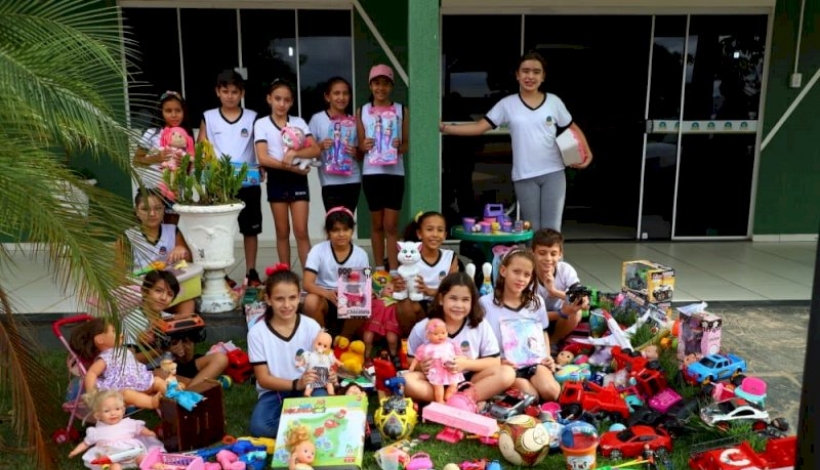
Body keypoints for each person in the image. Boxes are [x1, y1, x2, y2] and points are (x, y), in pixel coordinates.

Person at [440, 52, 593, 232]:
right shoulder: (507, 104)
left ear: (543, 77)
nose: (530, 76)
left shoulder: (554, 102)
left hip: (554, 172)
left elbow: (572, 127)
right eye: (525, 71)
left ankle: (552, 253)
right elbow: (479, 127)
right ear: (517, 75)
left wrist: (587, 153)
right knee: (531, 229)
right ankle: (531, 253)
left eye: (536, 72)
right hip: (524, 175)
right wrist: (445, 128)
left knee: (552, 229)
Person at [404, 272, 515, 404]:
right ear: (441, 299)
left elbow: (494, 361)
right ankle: (459, 401)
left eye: (465, 300)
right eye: (453, 298)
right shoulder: (423, 327)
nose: (459, 305)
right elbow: (410, 358)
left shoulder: (480, 325)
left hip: (469, 379)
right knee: (407, 381)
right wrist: (420, 366)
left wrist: (466, 364)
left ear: (472, 302)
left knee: (507, 373)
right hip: (434, 380)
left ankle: (460, 400)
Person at [247, 265, 330, 438]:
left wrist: (329, 374)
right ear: (268, 299)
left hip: (308, 386)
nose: (287, 305)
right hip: (274, 391)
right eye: (279, 299)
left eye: (292, 298)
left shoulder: (311, 326)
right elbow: (263, 379)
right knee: (259, 427)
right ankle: (309, 426)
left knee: (322, 402)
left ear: (299, 297)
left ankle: (297, 426)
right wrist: (295, 384)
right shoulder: (257, 333)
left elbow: (322, 361)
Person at [199, 69, 263, 287]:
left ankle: (251, 272)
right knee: (219, 230)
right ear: (218, 91)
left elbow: (261, 146)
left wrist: (262, 165)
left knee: (250, 229)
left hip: (247, 183)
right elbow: (202, 149)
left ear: (242, 93)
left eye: (235, 92)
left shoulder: (253, 117)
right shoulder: (208, 117)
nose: (230, 96)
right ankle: (221, 273)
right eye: (225, 91)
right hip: (218, 184)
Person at [254, 80, 321, 270]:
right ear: (269, 99)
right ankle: (286, 276)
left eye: (286, 100)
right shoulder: (261, 124)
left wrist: (295, 153)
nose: (281, 104)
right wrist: (290, 167)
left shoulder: (298, 122)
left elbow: (315, 150)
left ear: (291, 102)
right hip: (277, 179)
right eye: (277, 99)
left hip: (298, 180)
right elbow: (263, 157)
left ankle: (309, 276)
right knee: (282, 232)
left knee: (301, 232)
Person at [123, 270, 228, 388]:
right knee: (159, 374)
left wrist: (186, 348)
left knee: (220, 358)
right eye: (158, 291)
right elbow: (128, 363)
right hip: (149, 372)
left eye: (169, 294)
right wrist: (161, 350)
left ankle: (191, 388)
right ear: (145, 291)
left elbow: (186, 360)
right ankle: (197, 386)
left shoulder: (170, 319)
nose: (163, 298)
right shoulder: (131, 320)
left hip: (173, 367)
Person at [479, 249, 560, 401]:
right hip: (505, 366)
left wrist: (547, 356)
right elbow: (479, 340)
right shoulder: (485, 304)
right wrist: (496, 361)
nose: (521, 279)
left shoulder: (536, 302)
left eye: (527, 274)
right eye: (516, 272)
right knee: (531, 397)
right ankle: (506, 389)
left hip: (533, 362)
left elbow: (543, 332)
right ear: (503, 271)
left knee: (551, 392)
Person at [356, 64, 409, 272]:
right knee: (377, 225)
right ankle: (379, 268)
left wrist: (398, 146)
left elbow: (406, 145)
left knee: (391, 226)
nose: (381, 88)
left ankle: (394, 269)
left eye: (386, 83)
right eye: (376, 83)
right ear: (370, 86)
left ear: (391, 86)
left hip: (395, 174)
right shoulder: (362, 111)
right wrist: (364, 145)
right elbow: (361, 147)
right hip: (372, 174)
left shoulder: (401, 110)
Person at [123, 188, 195, 315]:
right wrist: (147, 290)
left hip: (169, 291)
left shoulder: (172, 231)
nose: (152, 214)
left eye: (158, 208)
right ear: (137, 211)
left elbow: (188, 262)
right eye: (145, 209)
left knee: (188, 303)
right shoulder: (128, 237)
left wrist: (182, 250)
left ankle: (177, 327)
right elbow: (119, 275)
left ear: (163, 210)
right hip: (142, 294)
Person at [69, 318, 167, 409]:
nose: (120, 333)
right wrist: (92, 394)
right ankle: (151, 402)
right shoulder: (105, 358)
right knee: (127, 394)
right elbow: (92, 373)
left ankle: (173, 396)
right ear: (100, 339)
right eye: (114, 331)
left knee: (157, 381)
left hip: (141, 382)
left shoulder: (124, 350)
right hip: (121, 390)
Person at [302, 207, 369, 337]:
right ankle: (323, 338)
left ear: (352, 230)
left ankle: (343, 339)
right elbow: (307, 284)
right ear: (328, 232)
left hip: (350, 296)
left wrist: (364, 292)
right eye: (335, 230)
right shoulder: (317, 250)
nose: (341, 234)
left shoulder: (361, 254)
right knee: (311, 301)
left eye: (346, 229)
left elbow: (365, 285)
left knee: (364, 302)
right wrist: (327, 294)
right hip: (323, 296)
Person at [132, 90, 194, 224]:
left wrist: (185, 163)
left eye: (178, 110)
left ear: (184, 112)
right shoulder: (152, 133)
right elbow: (136, 161)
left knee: (172, 224)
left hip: (175, 190)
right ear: (161, 112)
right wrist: (156, 158)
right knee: (152, 223)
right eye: (168, 111)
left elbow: (191, 167)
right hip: (153, 189)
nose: (174, 115)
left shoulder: (186, 136)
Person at [393, 211, 458, 335]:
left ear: (445, 235)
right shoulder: (410, 257)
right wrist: (398, 286)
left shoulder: (450, 257)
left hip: (441, 303)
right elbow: (400, 285)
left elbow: (454, 289)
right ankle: (410, 340)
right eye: (429, 229)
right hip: (418, 304)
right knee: (406, 303)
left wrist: (430, 291)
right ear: (419, 234)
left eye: (440, 230)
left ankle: (440, 336)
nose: (435, 234)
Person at [68, 390, 163, 470]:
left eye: (117, 409)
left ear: (123, 410)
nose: (113, 413)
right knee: (115, 466)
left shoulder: (128, 423)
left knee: (142, 458)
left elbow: (139, 428)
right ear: (98, 415)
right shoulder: (96, 431)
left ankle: (154, 466)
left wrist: (149, 433)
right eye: (107, 411)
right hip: (111, 457)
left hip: (130, 452)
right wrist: (75, 451)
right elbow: (86, 443)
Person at [308, 77, 361, 213]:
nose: (341, 97)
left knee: (348, 220)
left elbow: (362, 155)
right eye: (336, 93)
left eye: (345, 93)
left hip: (352, 180)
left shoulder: (354, 122)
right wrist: (320, 146)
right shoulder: (317, 119)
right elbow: (307, 150)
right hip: (329, 181)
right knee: (334, 221)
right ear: (327, 97)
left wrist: (355, 152)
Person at [532, 228, 589, 346]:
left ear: (560, 255)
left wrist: (554, 291)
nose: (548, 258)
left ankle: (553, 342)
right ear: (533, 253)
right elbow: (526, 314)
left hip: (561, 320)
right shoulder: (527, 273)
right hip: (534, 319)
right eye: (542, 253)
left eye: (553, 254)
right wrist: (562, 312)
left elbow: (583, 300)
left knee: (575, 311)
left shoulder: (565, 269)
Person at [408, 318, 464, 403]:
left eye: (443, 333)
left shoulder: (451, 344)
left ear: (447, 332)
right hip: (437, 371)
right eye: (436, 334)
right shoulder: (426, 347)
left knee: (454, 384)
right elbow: (417, 358)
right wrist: (412, 367)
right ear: (428, 335)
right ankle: (440, 400)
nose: (440, 336)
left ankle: (449, 396)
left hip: (450, 370)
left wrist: (462, 360)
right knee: (438, 387)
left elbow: (459, 355)